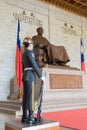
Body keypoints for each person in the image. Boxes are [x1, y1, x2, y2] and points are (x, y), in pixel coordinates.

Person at [22, 37, 45, 124]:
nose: (33, 46)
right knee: (31, 97)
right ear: (29, 45)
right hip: (30, 76)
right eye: (32, 44)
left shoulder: (24, 54)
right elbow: (34, 64)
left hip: (25, 76)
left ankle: (25, 116)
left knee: (25, 97)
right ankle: (31, 116)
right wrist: (41, 75)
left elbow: (23, 67)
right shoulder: (30, 53)